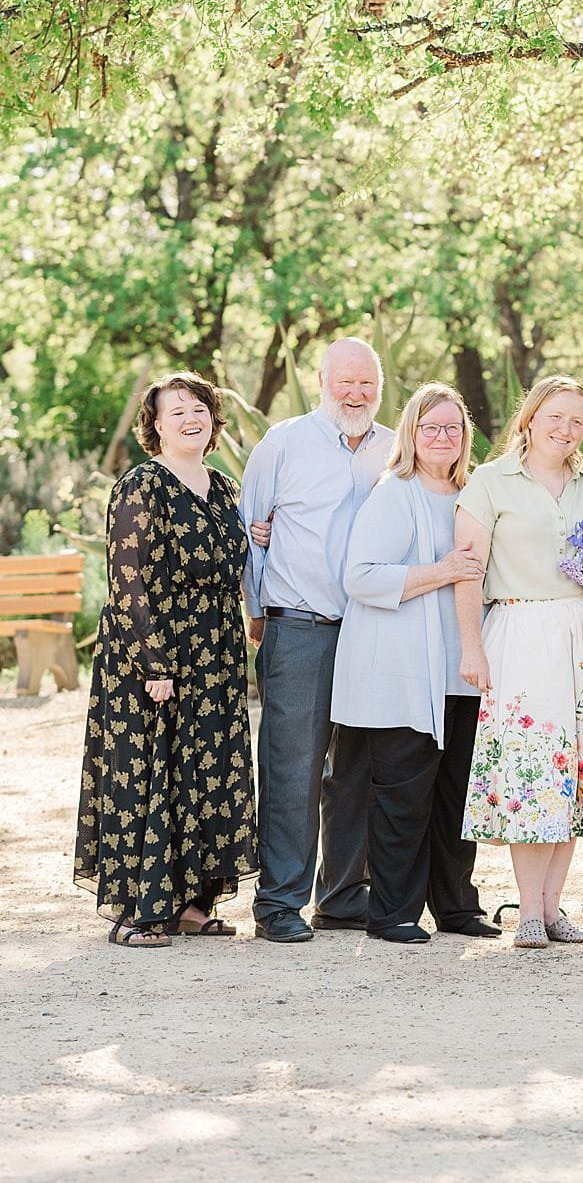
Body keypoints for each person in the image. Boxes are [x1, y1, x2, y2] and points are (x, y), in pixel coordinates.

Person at [75, 373, 257, 946]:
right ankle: (140, 909)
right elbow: (129, 582)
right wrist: (155, 665)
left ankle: (192, 904)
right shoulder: (140, 487)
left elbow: (233, 560)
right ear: (154, 425)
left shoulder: (226, 489)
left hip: (217, 651)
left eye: (198, 406)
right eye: (174, 411)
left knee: (208, 770)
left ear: (213, 417)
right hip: (153, 652)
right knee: (152, 770)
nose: (188, 417)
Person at [457, 374, 583, 949]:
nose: (566, 430)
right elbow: (468, 571)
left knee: (574, 778)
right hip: (519, 632)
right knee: (532, 775)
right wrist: (472, 647)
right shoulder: (490, 481)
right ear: (530, 417)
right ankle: (528, 912)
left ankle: (555, 909)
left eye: (577, 422)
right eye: (555, 417)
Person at [240, 337, 393, 941]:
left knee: (356, 769)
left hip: (371, 632)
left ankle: (341, 894)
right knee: (291, 767)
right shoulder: (283, 443)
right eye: (345, 382)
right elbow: (251, 530)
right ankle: (279, 902)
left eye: (368, 385)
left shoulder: (392, 447)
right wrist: (258, 613)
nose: (356, 394)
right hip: (298, 626)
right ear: (323, 380)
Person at [332, 384, 497, 943]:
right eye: (431, 428)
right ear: (412, 434)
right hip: (404, 674)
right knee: (404, 795)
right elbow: (360, 576)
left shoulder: (473, 494)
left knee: (458, 795)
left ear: (465, 437)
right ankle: (393, 912)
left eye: (453, 428)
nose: (443, 438)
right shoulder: (394, 494)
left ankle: (456, 907)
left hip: (464, 669)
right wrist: (442, 570)